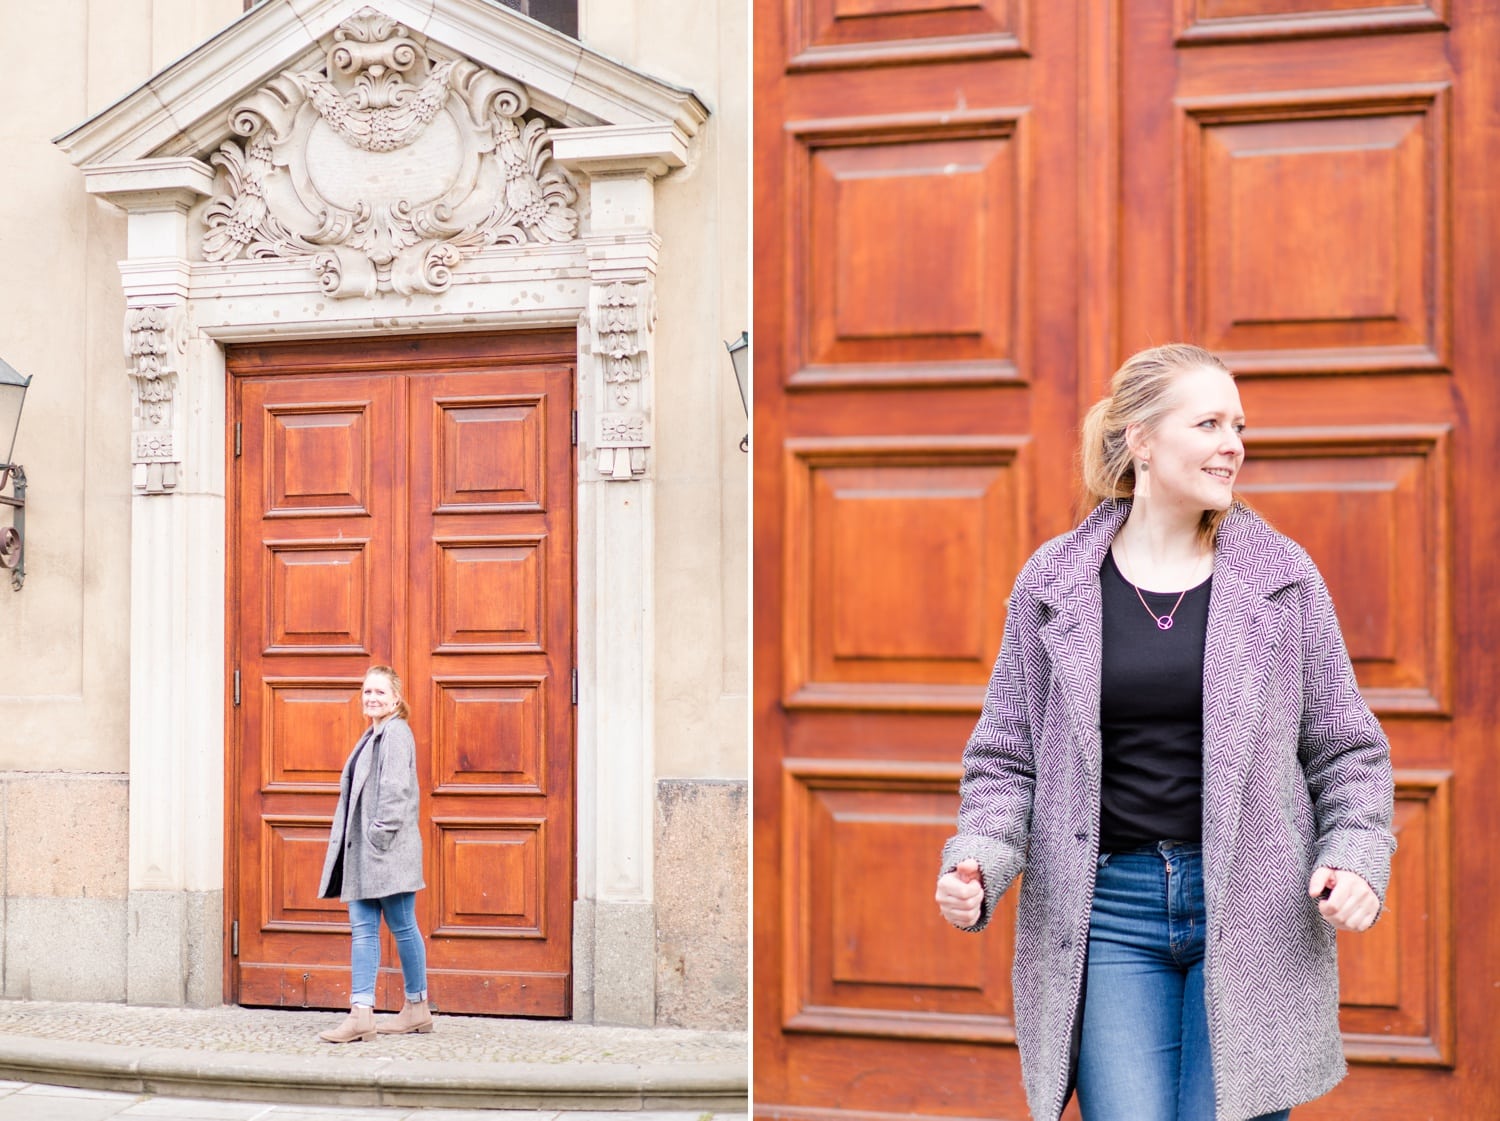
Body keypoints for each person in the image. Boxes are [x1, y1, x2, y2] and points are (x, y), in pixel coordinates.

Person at [934, 344, 1394, 1121]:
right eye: (1209, 422)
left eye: (1238, 425)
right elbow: (1005, 756)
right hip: (1109, 910)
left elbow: (1348, 748)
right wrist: (978, 857)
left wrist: (1355, 858)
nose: (1233, 443)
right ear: (1140, 440)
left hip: (1255, 907)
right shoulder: (1053, 583)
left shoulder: (1283, 577)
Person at [317, 664, 433, 1042]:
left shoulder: (396, 733)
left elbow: (397, 791)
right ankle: (362, 1013)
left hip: (386, 853)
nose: (372, 698)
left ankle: (416, 1007)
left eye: (380, 692)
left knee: (402, 926)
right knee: (364, 930)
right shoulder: (373, 734)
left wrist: (378, 838)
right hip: (366, 854)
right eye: (367, 692)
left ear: (396, 699)